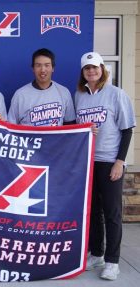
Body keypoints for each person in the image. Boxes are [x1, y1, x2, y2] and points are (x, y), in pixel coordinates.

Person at [75, 52, 135, 280]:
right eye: (87, 68)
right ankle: (97, 253)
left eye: (95, 67)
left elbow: (127, 129)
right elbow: (77, 128)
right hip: (88, 161)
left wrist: (119, 162)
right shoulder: (79, 96)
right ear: (83, 72)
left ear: (102, 69)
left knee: (112, 213)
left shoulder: (116, 94)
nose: (91, 72)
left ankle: (112, 261)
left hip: (110, 160)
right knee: (94, 211)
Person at [8, 48, 75, 126]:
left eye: (47, 65)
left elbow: (70, 127)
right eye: (38, 65)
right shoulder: (20, 95)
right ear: (33, 68)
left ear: (53, 68)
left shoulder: (64, 92)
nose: (43, 70)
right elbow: (10, 127)